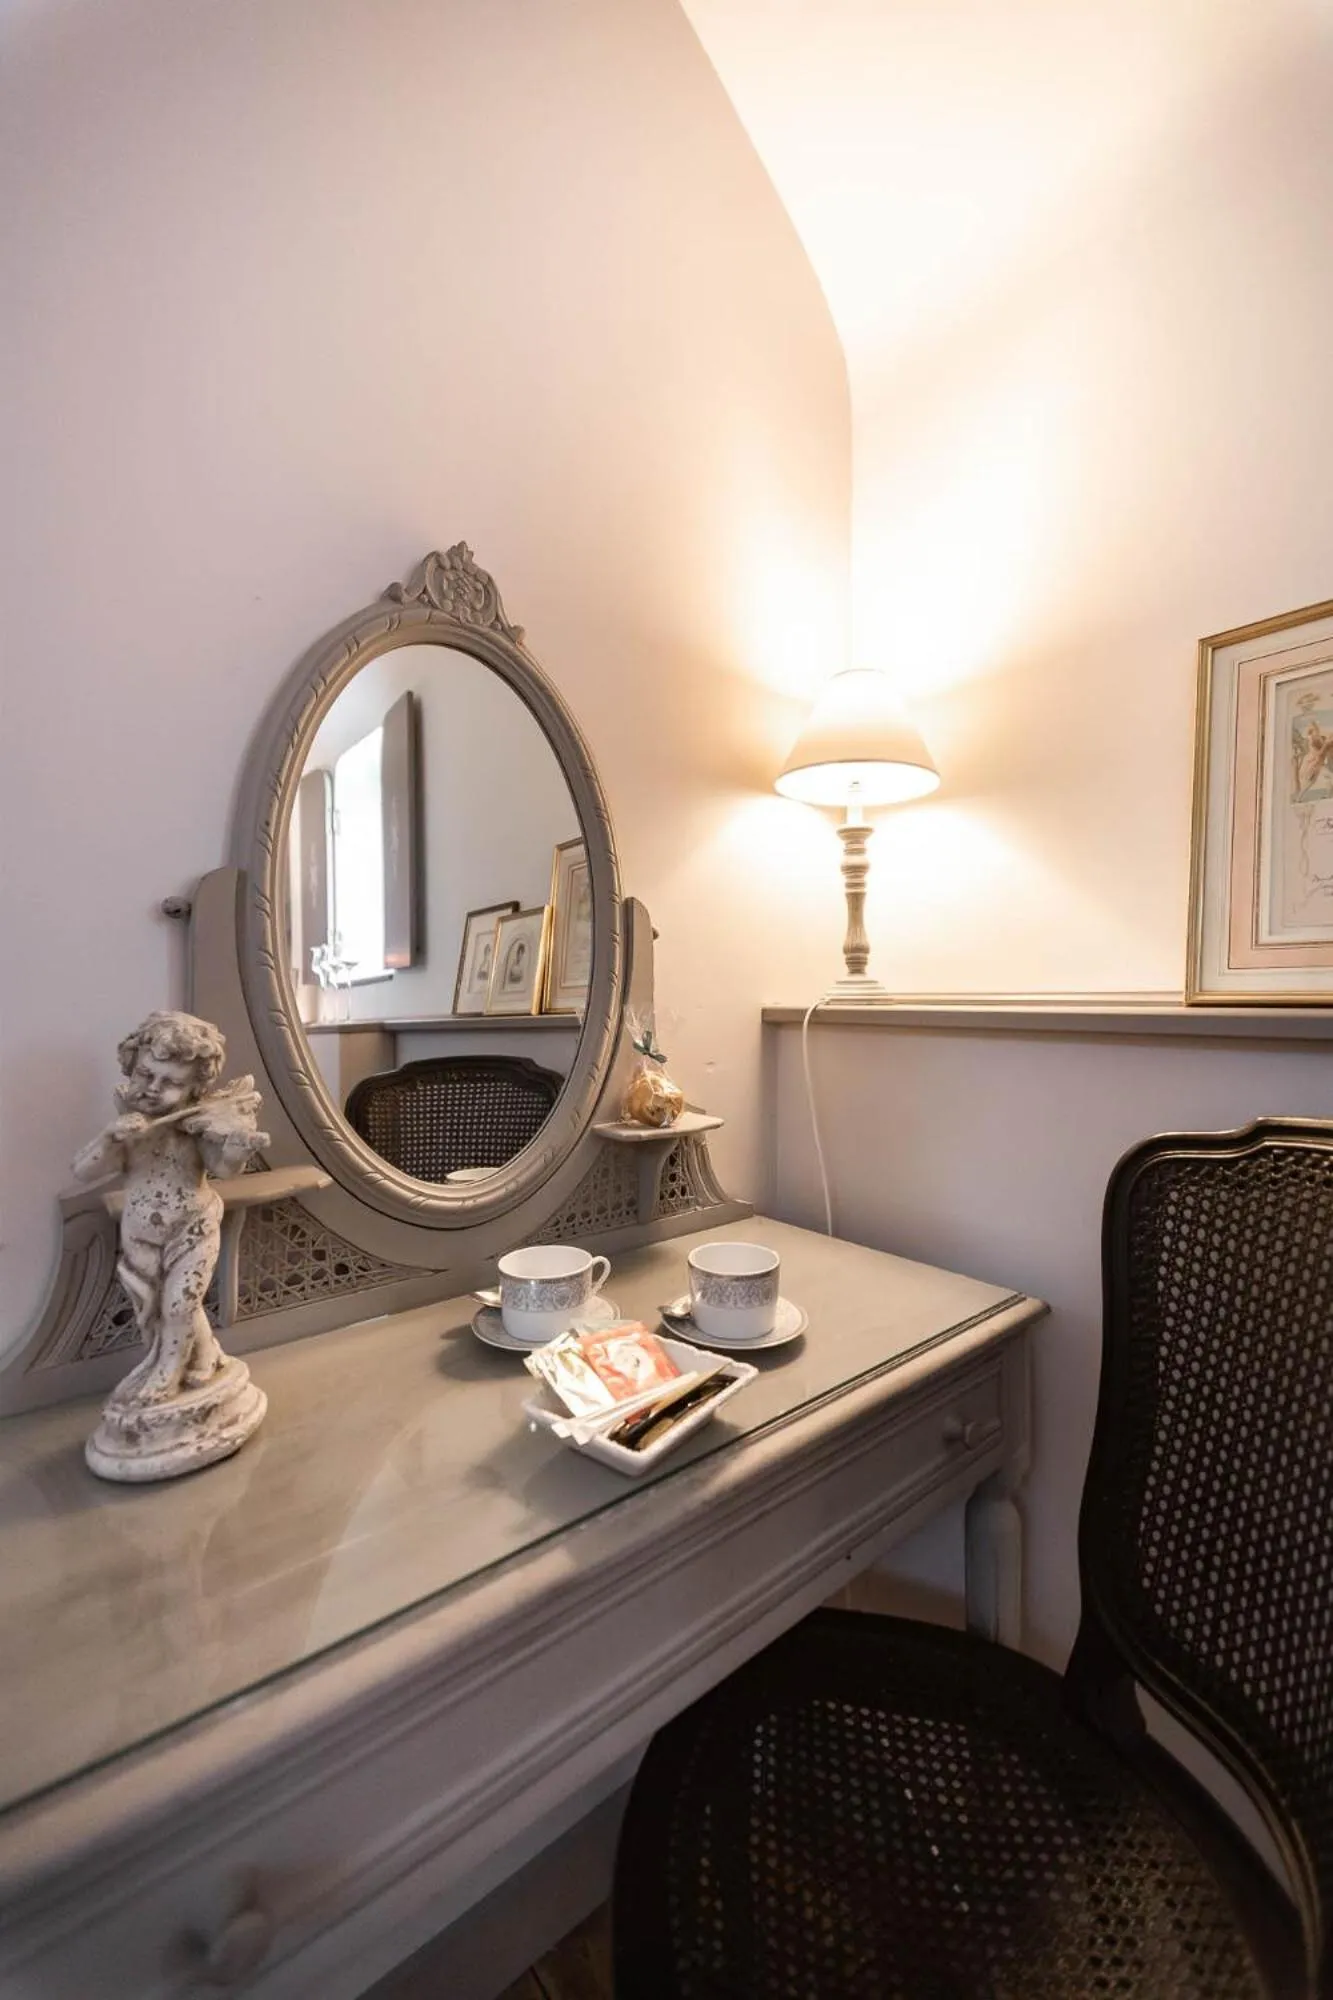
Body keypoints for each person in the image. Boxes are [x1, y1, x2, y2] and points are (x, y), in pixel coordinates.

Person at [73, 1012, 268, 1406]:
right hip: (140, 1232)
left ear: (196, 1089)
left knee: (181, 1304)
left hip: (193, 1227)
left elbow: (223, 1170)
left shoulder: (198, 1124)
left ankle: (166, 1375)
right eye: (146, 1075)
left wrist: (236, 1148)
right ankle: (204, 1352)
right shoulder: (129, 1123)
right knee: (157, 1312)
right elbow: (84, 1171)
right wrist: (112, 1138)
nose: (153, 1088)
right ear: (132, 1065)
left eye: (171, 1083)